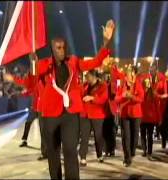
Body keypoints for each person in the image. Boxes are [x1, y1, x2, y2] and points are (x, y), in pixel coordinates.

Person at [31, 19, 115, 179]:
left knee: (70, 151)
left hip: (70, 115)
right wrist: (32, 60)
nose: (62, 50)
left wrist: (105, 43)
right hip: (50, 116)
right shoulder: (44, 65)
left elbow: (96, 62)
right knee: (53, 153)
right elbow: (34, 75)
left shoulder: (74, 61)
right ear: (52, 50)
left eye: (64, 47)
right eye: (58, 48)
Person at [3, 68, 47, 161]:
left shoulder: (44, 79)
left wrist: (13, 79)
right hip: (34, 108)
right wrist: (19, 93)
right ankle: (24, 140)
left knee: (44, 130)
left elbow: (25, 84)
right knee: (28, 123)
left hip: (43, 108)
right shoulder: (34, 82)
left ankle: (46, 151)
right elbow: (27, 88)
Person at [114, 64, 144, 167]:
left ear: (134, 74)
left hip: (136, 114)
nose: (129, 73)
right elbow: (116, 99)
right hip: (124, 114)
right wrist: (122, 96)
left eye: (131, 71)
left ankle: (131, 152)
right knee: (125, 136)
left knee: (134, 136)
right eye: (128, 71)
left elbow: (141, 98)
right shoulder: (121, 84)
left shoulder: (138, 84)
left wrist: (131, 96)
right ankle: (127, 158)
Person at [79, 70, 108, 166]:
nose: (86, 78)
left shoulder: (102, 86)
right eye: (86, 76)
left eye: (88, 76)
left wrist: (92, 98)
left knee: (98, 136)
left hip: (97, 115)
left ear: (94, 77)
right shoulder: (84, 85)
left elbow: (103, 99)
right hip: (85, 114)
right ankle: (83, 157)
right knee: (84, 136)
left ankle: (99, 155)